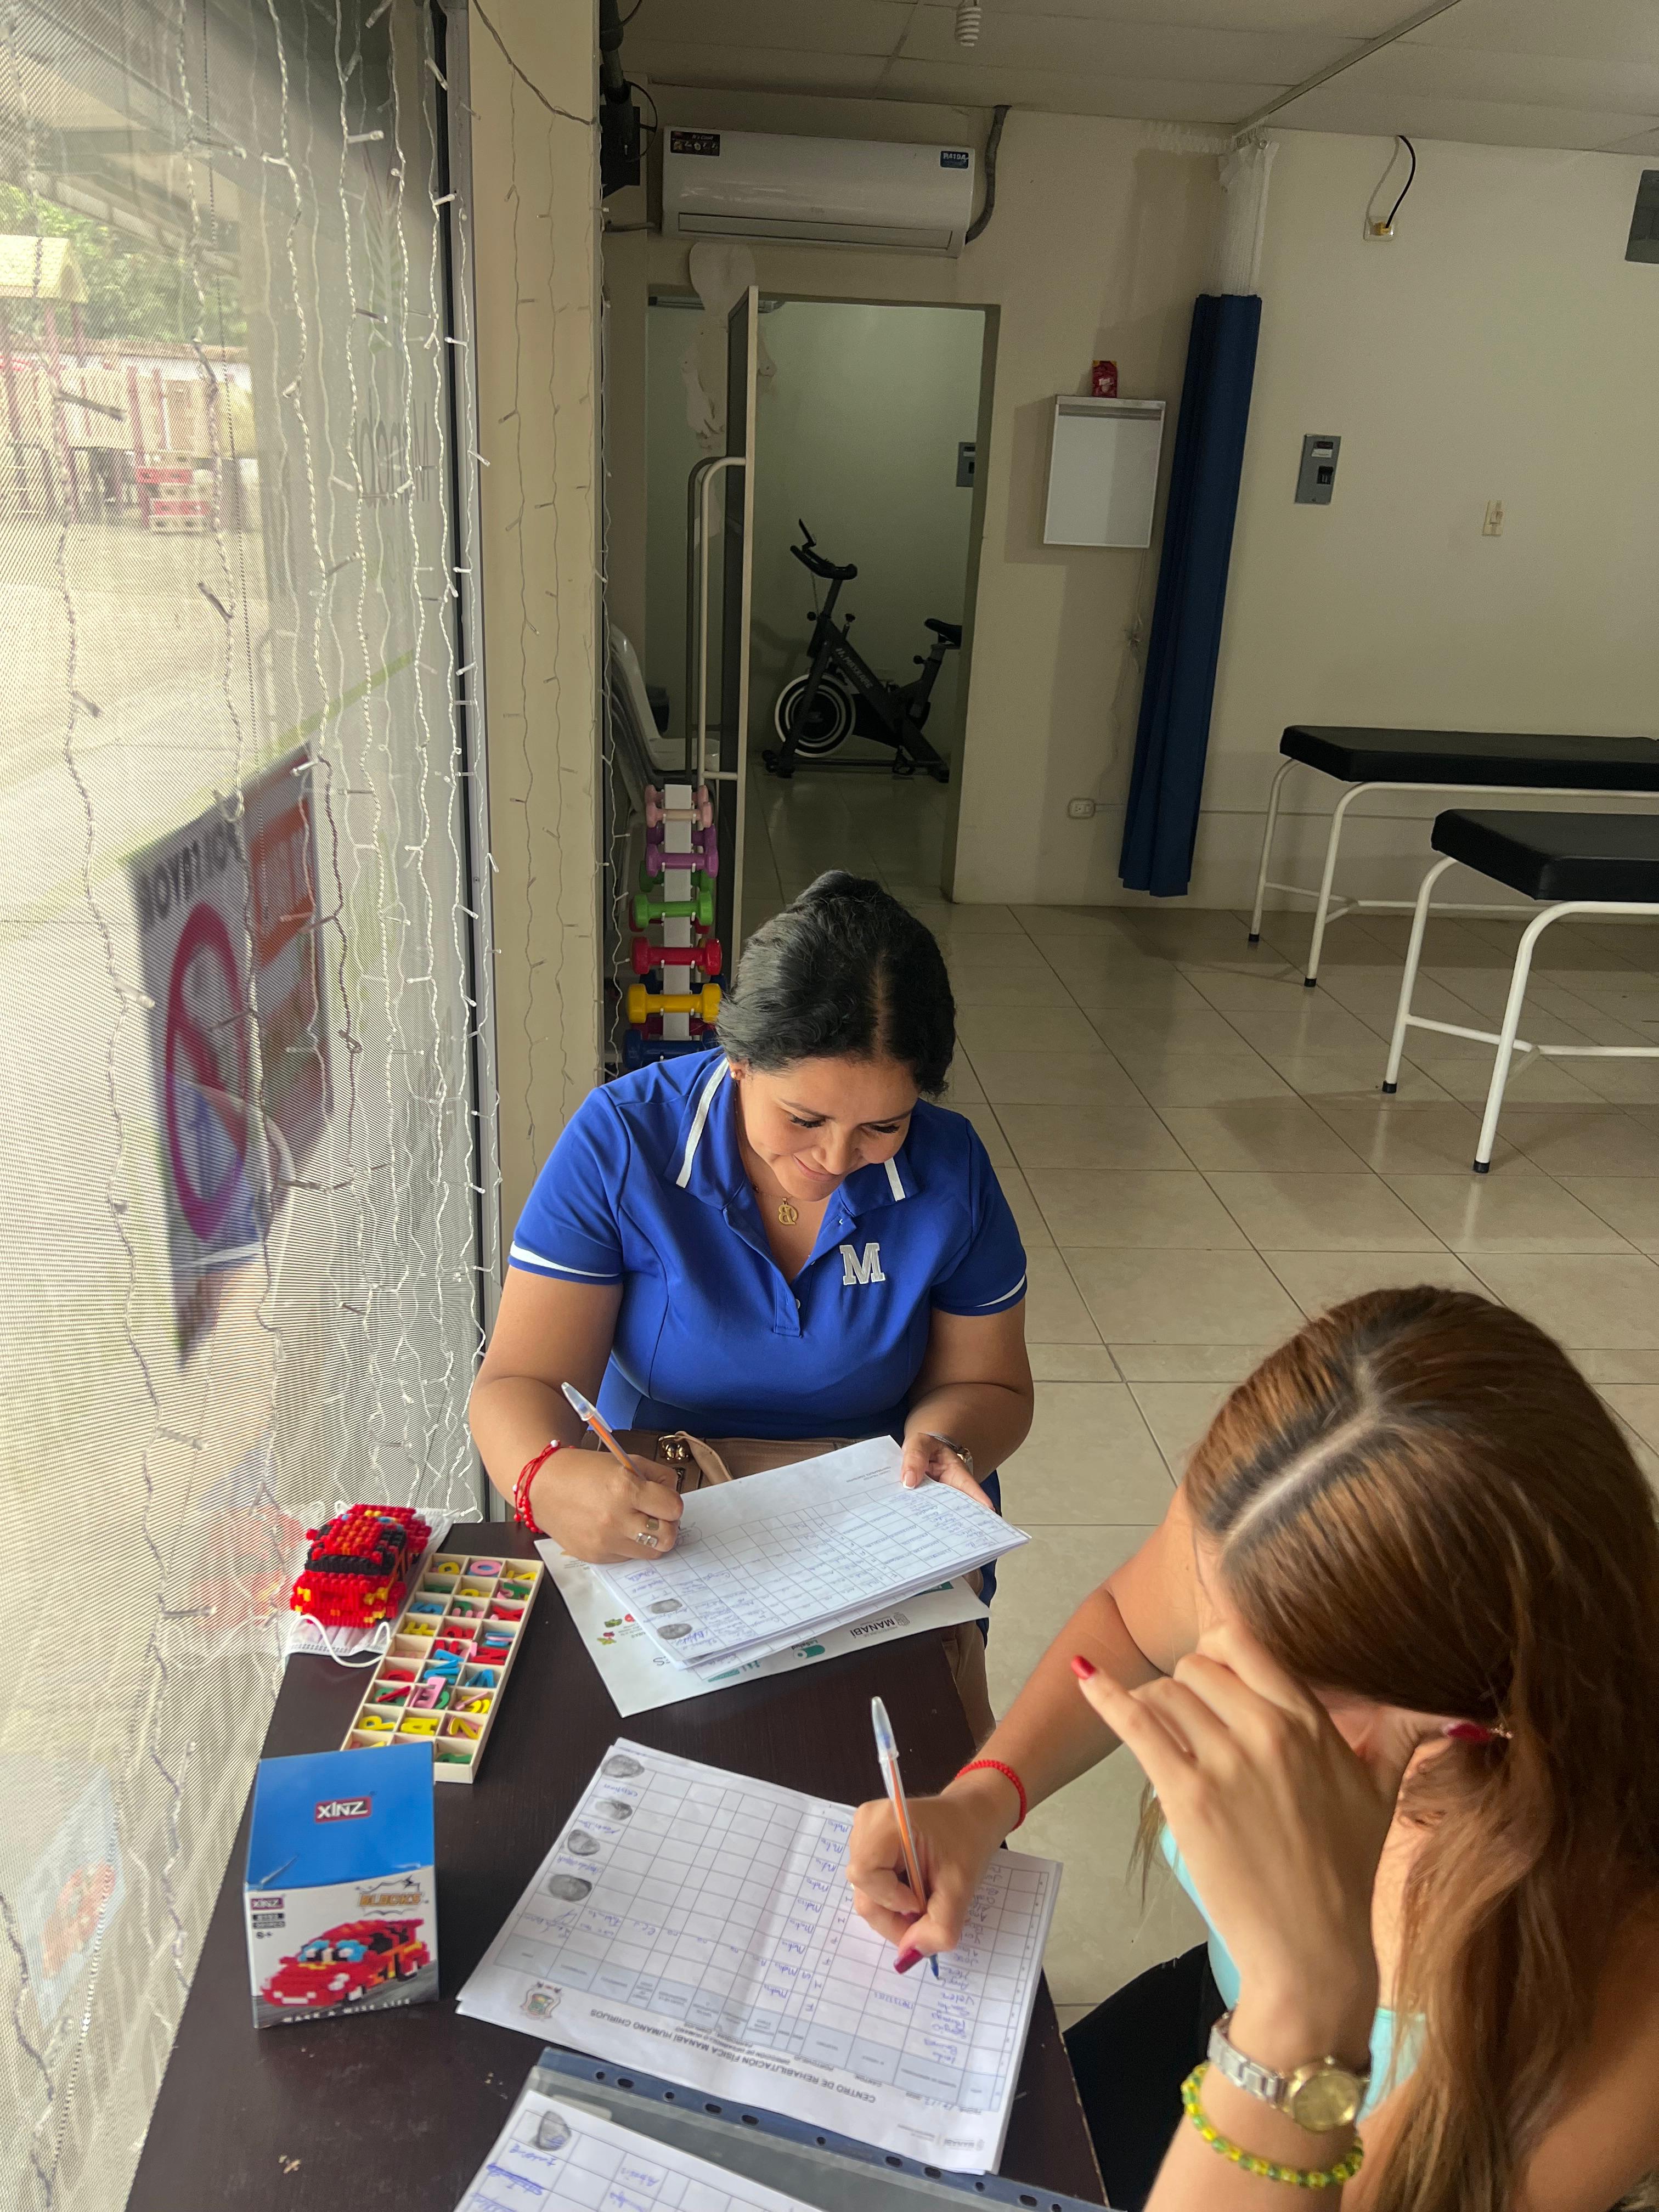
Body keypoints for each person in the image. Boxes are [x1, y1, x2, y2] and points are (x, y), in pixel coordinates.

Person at [847, 1288, 1659, 2211]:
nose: (1205, 1683)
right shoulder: (1272, 1523)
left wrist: (1299, 2016)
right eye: (1212, 1628)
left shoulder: (1613, 1965)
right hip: (1227, 2021)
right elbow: (1128, 1625)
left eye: (1281, 1690)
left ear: (1467, 1714)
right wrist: (980, 1800)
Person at [469, 872, 1032, 1721]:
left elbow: (989, 1384)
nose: (836, 1160)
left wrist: (945, 1441)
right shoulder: (625, 1140)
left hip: (876, 1517)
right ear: (737, 1062)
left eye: (883, 1126)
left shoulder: (950, 1169)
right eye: (803, 1119)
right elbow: (519, 1382)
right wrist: (545, 1478)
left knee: (903, 1750)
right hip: (664, 1505)